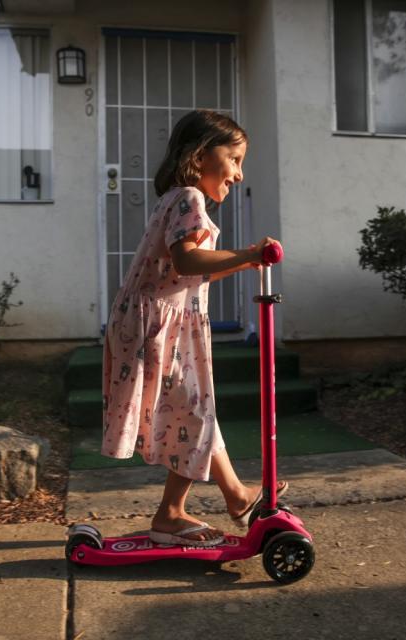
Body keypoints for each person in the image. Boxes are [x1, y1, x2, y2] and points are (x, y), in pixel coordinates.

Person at [101, 110, 287, 547]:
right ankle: (223, 501)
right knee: (194, 410)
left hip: (159, 322)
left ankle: (201, 505)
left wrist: (245, 260)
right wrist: (246, 254)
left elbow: (191, 272)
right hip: (156, 327)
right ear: (201, 154)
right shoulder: (188, 198)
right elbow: (186, 260)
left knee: (193, 411)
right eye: (235, 159)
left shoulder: (178, 198)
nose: (239, 175)